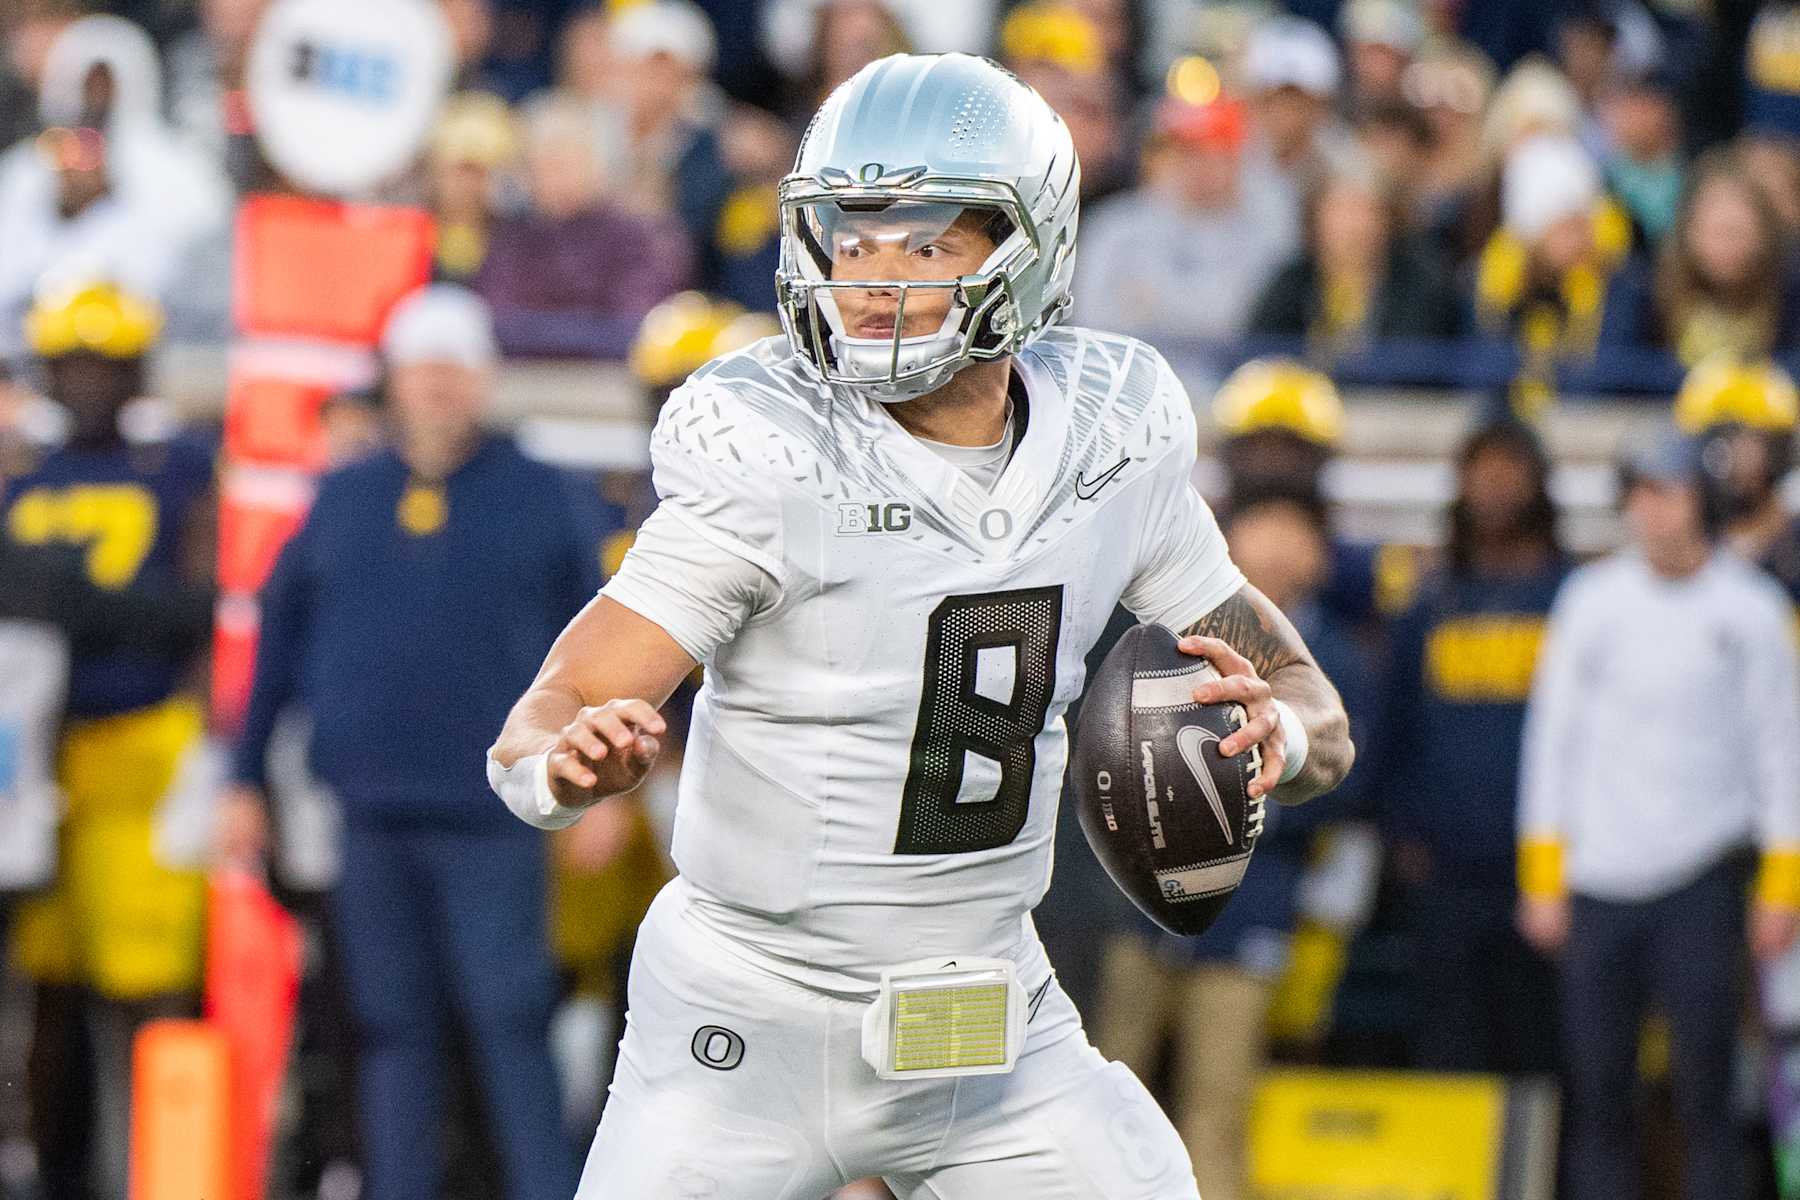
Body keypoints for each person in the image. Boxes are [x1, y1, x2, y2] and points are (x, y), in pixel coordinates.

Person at [489, 52, 1354, 1197]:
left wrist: (1273, 737)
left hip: (985, 1018)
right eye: (851, 239)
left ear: (1027, 247)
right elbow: (544, 716)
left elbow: (1314, 713)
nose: (873, 278)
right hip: (749, 1017)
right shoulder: (773, 451)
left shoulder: (1111, 440)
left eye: (926, 242)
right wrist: (565, 764)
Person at [217, 286, 598, 1200]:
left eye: (452, 370)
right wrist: (242, 778)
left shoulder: (544, 498)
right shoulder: (342, 498)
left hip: (496, 815)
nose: (435, 389)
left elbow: (595, 646)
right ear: (394, 381)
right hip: (370, 811)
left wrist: (599, 788)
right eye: (420, 370)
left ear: (482, 380)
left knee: (509, 1018)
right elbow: (276, 646)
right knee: (390, 1028)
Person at [1518, 426, 1800, 1200]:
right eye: (1638, 494)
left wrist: (1783, 884)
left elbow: (1781, 750)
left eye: (1665, 492)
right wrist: (1543, 874)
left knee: (1708, 1091)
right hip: (1600, 878)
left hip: (1702, 875)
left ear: (1699, 499)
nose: (1650, 511)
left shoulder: (1751, 609)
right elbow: (1555, 743)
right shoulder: (1592, 600)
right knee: (1599, 1090)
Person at [1091, 493, 1367, 1200]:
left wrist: (1254, 783)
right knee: (1101, 1100)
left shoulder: (1333, 655)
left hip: (1254, 907)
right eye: (1263, 526)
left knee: (1216, 1105)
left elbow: (1346, 770)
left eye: (1293, 530)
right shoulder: (1165, 637)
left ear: (1321, 555)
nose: (1275, 547)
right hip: (1140, 905)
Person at [3, 282, 215, 1200]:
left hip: (143, 742)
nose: (86, 382)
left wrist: (79, 605)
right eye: (72, 364)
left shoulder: (178, 471)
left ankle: (162, 1176)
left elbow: (201, 605)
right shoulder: (24, 480)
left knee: (152, 981)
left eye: (104, 363)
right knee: (49, 986)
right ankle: (60, 1178)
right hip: (39, 760)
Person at [1372, 416, 1567, 1073]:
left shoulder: (1573, 601)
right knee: (1447, 1049)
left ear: (1540, 484)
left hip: (1547, 871)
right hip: (1446, 873)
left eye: (1511, 468)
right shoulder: (1430, 603)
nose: (1495, 486)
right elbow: (1391, 726)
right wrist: (1403, 835)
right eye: (1481, 469)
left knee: (1542, 1049)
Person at [477, 95, 693, 358]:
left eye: (568, 162)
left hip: (612, 385)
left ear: (599, 165)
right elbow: (496, 323)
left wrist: (542, 329)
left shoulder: (636, 238)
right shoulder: (511, 239)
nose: (556, 175)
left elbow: (635, 327)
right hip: (523, 381)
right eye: (547, 162)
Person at [1076, 92, 1297, 344]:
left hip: (1221, 378)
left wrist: (1148, 298)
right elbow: (1090, 318)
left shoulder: (1261, 235)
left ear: (1236, 161)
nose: (1196, 167)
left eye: (1211, 153)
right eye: (1185, 152)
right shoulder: (1115, 225)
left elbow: (1228, 320)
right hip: (1124, 374)